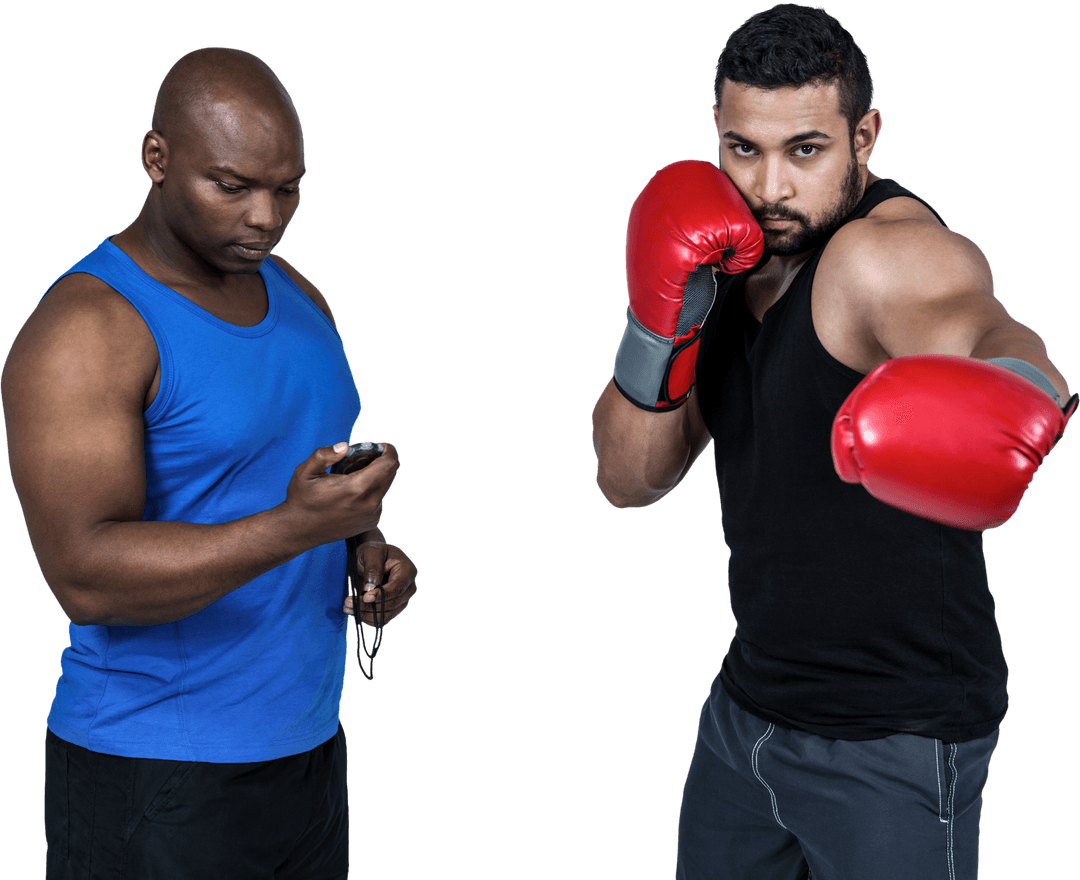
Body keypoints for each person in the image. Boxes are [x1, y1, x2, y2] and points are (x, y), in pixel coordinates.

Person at [591, 5, 1074, 879]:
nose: (770, 187)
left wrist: (1021, 387)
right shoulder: (723, 258)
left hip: (893, 739)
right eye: (745, 149)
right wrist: (662, 325)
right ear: (718, 133)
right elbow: (630, 479)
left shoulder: (878, 257)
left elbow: (981, 326)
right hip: (746, 714)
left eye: (805, 150)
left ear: (865, 137)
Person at [2, 47, 417, 879]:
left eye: (288, 187)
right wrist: (296, 527)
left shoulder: (297, 292)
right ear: (157, 160)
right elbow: (84, 576)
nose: (265, 216)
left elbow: (287, 486)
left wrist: (360, 547)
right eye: (231, 187)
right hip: (153, 776)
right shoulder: (87, 328)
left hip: (306, 755)